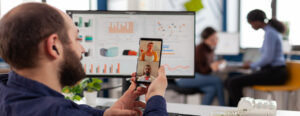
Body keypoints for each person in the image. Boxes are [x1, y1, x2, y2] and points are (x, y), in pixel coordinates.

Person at [0, 3, 168, 116]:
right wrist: (155, 96)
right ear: (53, 46)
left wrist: (105, 114)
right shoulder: (52, 110)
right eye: (77, 39)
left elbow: (68, 108)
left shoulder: (8, 90)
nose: (83, 49)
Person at [226, 9, 288, 106]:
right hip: (271, 71)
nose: (251, 26)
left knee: (233, 83)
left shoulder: (270, 33)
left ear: (257, 21)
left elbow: (268, 58)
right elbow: (268, 57)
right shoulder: (269, 31)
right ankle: (236, 109)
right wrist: (253, 64)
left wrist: (252, 65)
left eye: (251, 23)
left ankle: (244, 110)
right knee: (230, 79)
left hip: (275, 74)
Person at [176, 27, 225, 106]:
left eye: (216, 38)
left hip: (198, 78)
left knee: (212, 89)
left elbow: (206, 68)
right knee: (217, 80)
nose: (215, 41)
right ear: (205, 39)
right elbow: (202, 71)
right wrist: (211, 67)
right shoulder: (199, 49)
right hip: (186, 78)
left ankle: (202, 112)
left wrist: (215, 64)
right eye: (212, 39)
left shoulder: (210, 49)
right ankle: (224, 108)